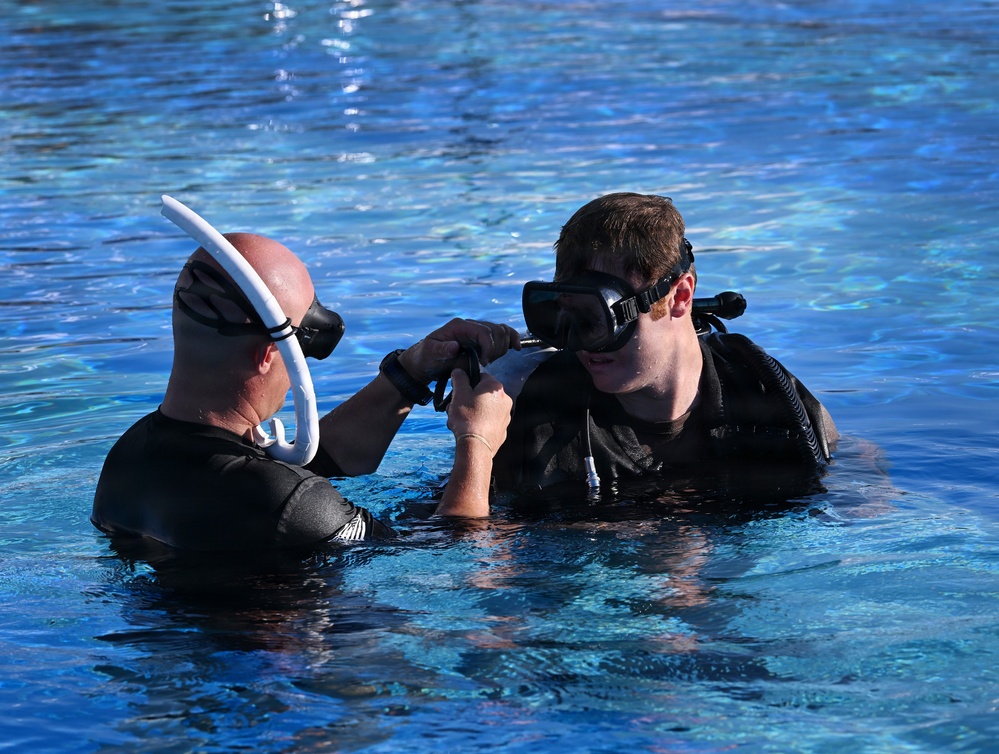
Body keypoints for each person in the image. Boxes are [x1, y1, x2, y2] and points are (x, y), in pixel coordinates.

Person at [92, 231, 517, 551]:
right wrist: (477, 442)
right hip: (297, 660)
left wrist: (410, 373)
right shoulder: (285, 501)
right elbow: (452, 548)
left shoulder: (129, 458)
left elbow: (307, 471)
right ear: (266, 355)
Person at [491, 192, 838, 499]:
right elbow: (470, 547)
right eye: (570, 317)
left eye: (598, 319)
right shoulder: (541, 411)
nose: (582, 343)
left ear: (680, 297)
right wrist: (474, 445)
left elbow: (856, 476)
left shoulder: (763, 390)